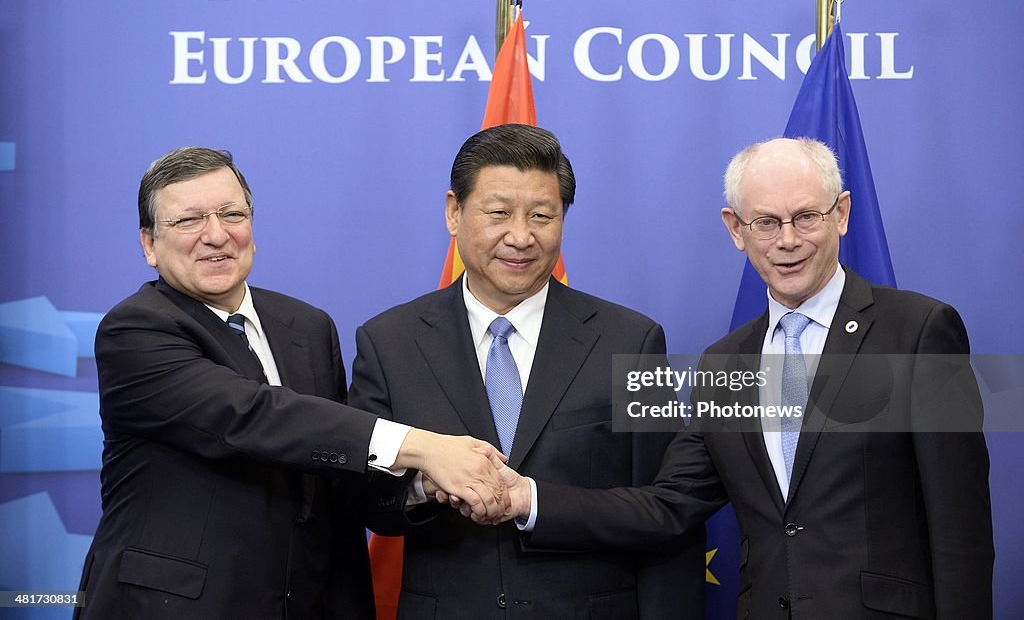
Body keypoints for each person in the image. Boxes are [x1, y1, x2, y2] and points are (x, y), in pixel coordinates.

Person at [487, 137, 995, 618]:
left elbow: (960, 527)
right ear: (736, 229)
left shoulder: (917, 331)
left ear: (841, 214)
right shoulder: (726, 364)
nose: (788, 240)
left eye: (806, 217)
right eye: (766, 223)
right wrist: (527, 498)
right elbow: (669, 504)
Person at [75, 147, 509, 620]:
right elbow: (250, 415)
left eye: (232, 214)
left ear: (252, 232)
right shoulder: (135, 330)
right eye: (188, 221)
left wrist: (424, 484)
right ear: (149, 245)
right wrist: (424, 446)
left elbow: (336, 467)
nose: (216, 234)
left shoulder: (306, 326)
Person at [347, 124, 705, 619]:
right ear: (454, 211)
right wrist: (427, 485)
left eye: (542, 215)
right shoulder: (389, 342)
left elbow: (669, 506)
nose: (520, 236)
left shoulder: (633, 341)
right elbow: (363, 502)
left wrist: (534, 501)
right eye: (498, 213)